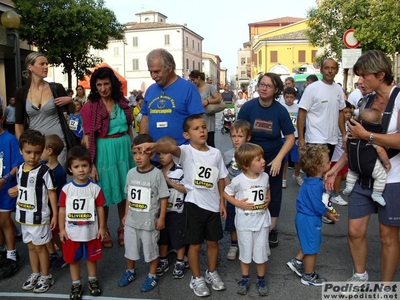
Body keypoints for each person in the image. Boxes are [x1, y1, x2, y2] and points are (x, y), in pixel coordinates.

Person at [324, 50, 400, 288]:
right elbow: (353, 144)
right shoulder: (364, 101)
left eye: (364, 76)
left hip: (393, 176)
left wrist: (367, 135)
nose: (360, 81)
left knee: (388, 236)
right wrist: (335, 169)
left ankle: (386, 287)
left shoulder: (398, 99)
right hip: (361, 175)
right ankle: (360, 277)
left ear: (381, 74)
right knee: (355, 231)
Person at [137, 114, 229, 297]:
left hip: (212, 207)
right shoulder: (186, 151)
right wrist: (154, 146)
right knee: (194, 245)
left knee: (213, 243)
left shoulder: (215, 153)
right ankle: (196, 278)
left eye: (203, 127)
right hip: (194, 206)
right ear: (187, 135)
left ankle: (212, 272)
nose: (202, 130)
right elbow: (170, 148)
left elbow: (220, 178)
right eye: (196, 128)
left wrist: (222, 202)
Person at [238, 72, 295, 249]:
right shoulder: (248, 108)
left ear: (276, 89)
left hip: (273, 157)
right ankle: (248, 225)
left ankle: (271, 229)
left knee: (274, 191)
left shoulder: (280, 111)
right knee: (249, 189)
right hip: (251, 156)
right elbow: (238, 132)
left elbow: (290, 137)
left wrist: (279, 159)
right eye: (262, 84)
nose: (263, 88)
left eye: (268, 86)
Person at [80, 66, 135, 248]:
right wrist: (91, 165)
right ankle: (103, 228)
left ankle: (123, 226)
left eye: (106, 84)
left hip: (124, 150)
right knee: (103, 191)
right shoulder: (90, 107)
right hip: (103, 151)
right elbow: (87, 138)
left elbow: (129, 128)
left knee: (124, 190)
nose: (102, 89)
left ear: (113, 84)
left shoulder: (123, 103)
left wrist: (134, 150)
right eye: (99, 85)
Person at [118, 134, 169, 292]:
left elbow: (163, 197)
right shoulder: (131, 173)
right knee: (130, 249)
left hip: (149, 222)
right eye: (135, 152)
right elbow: (129, 196)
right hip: (132, 221)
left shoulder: (156, 174)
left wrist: (161, 217)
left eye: (142, 152)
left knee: (151, 250)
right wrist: (125, 214)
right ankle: (130, 271)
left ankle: (152, 275)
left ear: (151, 154)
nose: (138, 157)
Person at [286, 144, 339, 286]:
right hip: (309, 219)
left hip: (303, 217)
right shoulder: (316, 185)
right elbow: (317, 206)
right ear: (318, 165)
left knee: (310, 242)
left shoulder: (310, 180)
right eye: (328, 162)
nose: (330, 164)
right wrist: (328, 214)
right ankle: (308, 275)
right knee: (312, 248)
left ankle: (297, 262)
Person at [223, 143, 271, 296]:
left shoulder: (265, 176)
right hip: (244, 224)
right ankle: (245, 278)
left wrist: (268, 198)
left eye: (262, 158)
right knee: (245, 252)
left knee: (261, 252)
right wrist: (238, 203)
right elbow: (225, 193)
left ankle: (261, 278)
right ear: (245, 164)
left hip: (262, 222)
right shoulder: (238, 180)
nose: (263, 161)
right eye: (258, 159)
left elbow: (267, 189)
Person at [58, 146, 106, 299]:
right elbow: (62, 210)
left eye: (84, 166)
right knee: (74, 260)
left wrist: (102, 227)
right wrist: (62, 230)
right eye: (76, 166)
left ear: (90, 167)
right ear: (70, 169)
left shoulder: (95, 188)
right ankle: (76, 284)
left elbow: (100, 208)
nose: (81, 170)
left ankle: (93, 281)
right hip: (72, 233)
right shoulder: (67, 189)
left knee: (91, 259)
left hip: (91, 233)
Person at [14, 52, 75, 168]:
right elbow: (18, 123)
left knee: (56, 179)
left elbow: (72, 110)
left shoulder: (56, 88)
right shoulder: (21, 92)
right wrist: (23, 145)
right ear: (30, 67)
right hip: (35, 145)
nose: (46, 67)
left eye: (47, 64)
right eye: (42, 64)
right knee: (39, 180)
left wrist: (70, 101)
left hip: (57, 142)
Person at [14, 130, 57, 293]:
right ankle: (35, 273)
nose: (32, 156)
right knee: (31, 247)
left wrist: (54, 214)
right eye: (28, 152)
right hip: (24, 216)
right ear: (21, 151)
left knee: (40, 247)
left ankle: (46, 275)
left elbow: (52, 192)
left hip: (39, 217)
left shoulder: (45, 171)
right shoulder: (20, 169)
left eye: (37, 153)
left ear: (43, 151)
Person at [139, 48, 204, 146]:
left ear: (170, 68)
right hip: (154, 154)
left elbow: (197, 122)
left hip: (181, 155)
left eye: (157, 71)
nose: (153, 76)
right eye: (150, 72)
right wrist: (142, 145)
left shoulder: (189, 89)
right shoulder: (150, 90)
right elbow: (145, 118)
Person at [297, 58, 346, 160]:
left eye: (333, 68)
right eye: (327, 68)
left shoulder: (338, 89)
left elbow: (341, 112)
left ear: (337, 70)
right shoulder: (312, 88)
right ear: (321, 70)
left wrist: (344, 135)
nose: (330, 71)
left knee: (326, 171)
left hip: (332, 139)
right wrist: (301, 138)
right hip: (315, 139)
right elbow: (301, 114)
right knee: (314, 172)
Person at [343, 108, 390, 206]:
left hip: (353, 163)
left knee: (352, 172)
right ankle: (377, 194)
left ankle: (349, 186)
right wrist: (387, 163)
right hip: (368, 164)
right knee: (381, 176)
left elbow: (345, 143)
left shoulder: (351, 134)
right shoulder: (370, 138)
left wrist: (348, 154)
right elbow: (381, 151)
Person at [155, 136, 187, 279]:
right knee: (162, 237)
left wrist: (170, 183)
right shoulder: (156, 171)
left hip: (177, 211)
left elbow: (188, 189)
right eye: (159, 153)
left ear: (173, 153)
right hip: (161, 211)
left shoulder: (180, 171)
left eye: (165, 153)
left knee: (178, 237)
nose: (161, 157)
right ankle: (163, 260)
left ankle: (180, 261)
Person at [0, 105, 23, 279]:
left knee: (5, 221)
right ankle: (2, 251)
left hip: (6, 188)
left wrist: (5, 179)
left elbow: (17, 164)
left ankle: (11, 253)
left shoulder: (9, 139)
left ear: (1, 119)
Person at [223, 120, 251, 261]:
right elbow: (224, 173)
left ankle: (251, 244)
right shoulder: (228, 154)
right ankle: (234, 245)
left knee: (251, 219)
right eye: (234, 136)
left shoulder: (252, 153)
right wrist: (230, 186)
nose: (236, 139)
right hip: (234, 194)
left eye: (240, 136)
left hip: (248, 193)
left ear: (248, 137)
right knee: (233, 220)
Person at [40, 135, 68, 270]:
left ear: (49, 151)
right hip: (43, 207)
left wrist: (59, 211)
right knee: (47, 232)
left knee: (56, 233)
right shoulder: (41, 167)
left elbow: (62, 194)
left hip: (54, 209)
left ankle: (66, 254)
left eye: (41, 149)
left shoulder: (59, 172)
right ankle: (52, 254)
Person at [328, 101, 354, 208]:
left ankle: (333, 189)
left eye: (349, 112)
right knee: (338, 174)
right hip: (336, 155)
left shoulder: (350, 123)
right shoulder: (338, 124)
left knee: (345, 174)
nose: (347, 114)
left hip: (345, 155)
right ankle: (335, 194)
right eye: (345, 112)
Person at [189, 70, 220, 147]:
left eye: (194, 80)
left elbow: (218, 99)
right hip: (198, 118)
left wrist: (208, 101)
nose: (193, 82)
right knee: (198, 143)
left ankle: (213, 158)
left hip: (208, 118)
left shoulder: (210, 87)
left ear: (199, 78)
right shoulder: (194, 88)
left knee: (210, 143)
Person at [281, 87, 303, 188]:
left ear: (294, 98)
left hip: (296, 136)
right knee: (284, 159)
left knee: (297, 159)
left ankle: (297, 175)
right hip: (283, 137)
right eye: (287, 97)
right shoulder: (281, 107)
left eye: (291, 97)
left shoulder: (298, 108)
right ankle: (283, 178)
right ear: (284, 97)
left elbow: (300, 122)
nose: (289, 99)